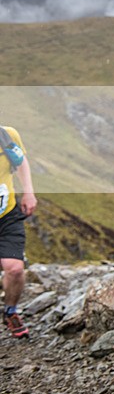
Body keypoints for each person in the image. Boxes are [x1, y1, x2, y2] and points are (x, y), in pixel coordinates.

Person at [0, 125, 37, 338]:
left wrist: (28, 191)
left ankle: (10, 311)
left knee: (14, 269)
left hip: (7, 215)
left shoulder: (7, 135)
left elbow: (21, 161)